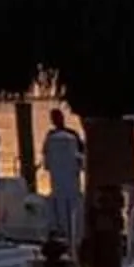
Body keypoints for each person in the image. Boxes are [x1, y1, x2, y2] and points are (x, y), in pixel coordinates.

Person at [42, 107, 85, 249]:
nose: (56, 120)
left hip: (71, 180)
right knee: (59, 202)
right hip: (58, 180)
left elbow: (82, 155)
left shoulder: (72, 134)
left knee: (71, 203)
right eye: (53, 117)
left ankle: (73, 232)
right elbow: (46, 157)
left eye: (57, 116)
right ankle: (61, 230)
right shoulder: (50, 136)